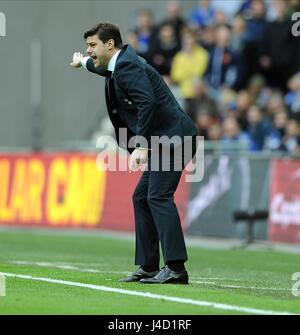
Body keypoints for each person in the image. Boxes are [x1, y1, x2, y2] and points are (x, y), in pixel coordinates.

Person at [70, 22, 198, 284]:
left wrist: (140, 144)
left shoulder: (128, 65)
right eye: (87, 46)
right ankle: (149, 266)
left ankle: (175, 268)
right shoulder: (116, 64)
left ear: (110, 44)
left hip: (174, 139)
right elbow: (97, 67)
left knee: (158, 196)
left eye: (92, 45)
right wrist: (82, 62)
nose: (89, 50)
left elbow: (146, 101)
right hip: (165, 139)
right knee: (142, 197)